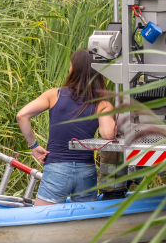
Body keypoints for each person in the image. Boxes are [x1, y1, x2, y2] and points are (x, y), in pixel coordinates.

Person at [15, 49, 116, 206]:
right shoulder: (102, 104)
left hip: (57, 168)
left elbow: (22, 115)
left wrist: (34, 146)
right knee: (84, 223)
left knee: (41, 220)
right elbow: (108, 134)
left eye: (70, 65)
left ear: (74, 69)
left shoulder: (54, 94)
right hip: (86, 170)